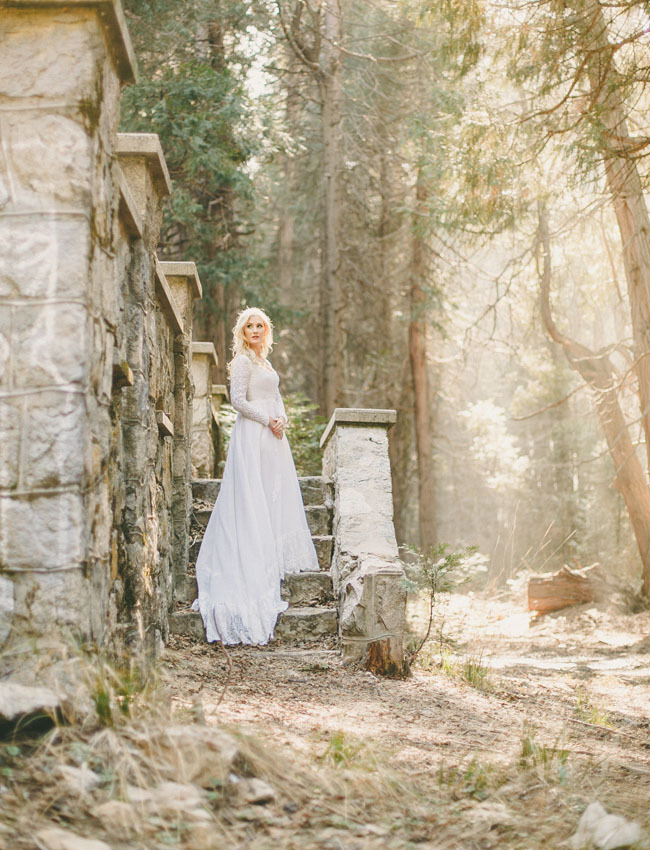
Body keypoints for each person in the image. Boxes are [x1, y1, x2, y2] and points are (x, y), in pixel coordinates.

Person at [191, 307, 319, 645]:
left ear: (267, 330)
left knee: (271, 493)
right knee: (251, 496)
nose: (255, 330)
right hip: (251, 435)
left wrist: (282, 419)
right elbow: (237, 401)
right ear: (242, 332)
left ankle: (270, 550)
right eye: (250, 326)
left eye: (260, 325)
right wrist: (266, 420)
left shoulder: (266, 362)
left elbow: (275, 396)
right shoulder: (244, 362)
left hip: (273, 439)